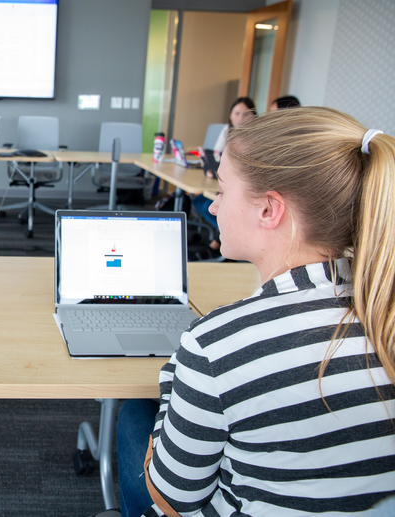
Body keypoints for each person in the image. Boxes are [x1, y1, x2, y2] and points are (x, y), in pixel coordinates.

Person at [117, 107, 395, 516]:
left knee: (135, 413)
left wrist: (176, 377)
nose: (212, 207)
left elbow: (171, 498)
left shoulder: (216, 344)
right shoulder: (381, 306)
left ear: (269, 209)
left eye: (223, 190)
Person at [192, 97, 256, 256]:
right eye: (236, 113)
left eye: (246, 114)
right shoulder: (227, 131)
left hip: (242, 189)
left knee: (210, 203)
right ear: (230, 115)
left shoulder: (257, 138)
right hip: (221, 182)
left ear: (254, 116)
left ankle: (220, 239)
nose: (240, 118)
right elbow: (216, 156)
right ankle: (221, 235)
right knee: (199, 199)